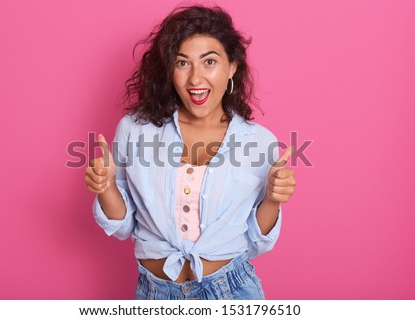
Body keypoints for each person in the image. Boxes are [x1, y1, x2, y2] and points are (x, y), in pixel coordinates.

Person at [85, 5, 296, 300]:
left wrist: (272, 199)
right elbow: (123, 227)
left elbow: (255, 243)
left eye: (209, 62)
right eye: (182, 63)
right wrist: (106, 187)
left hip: (232, 292)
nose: (196, 79)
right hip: (155, 294)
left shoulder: (259, 142)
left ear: (232, 66)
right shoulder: (136, 130)